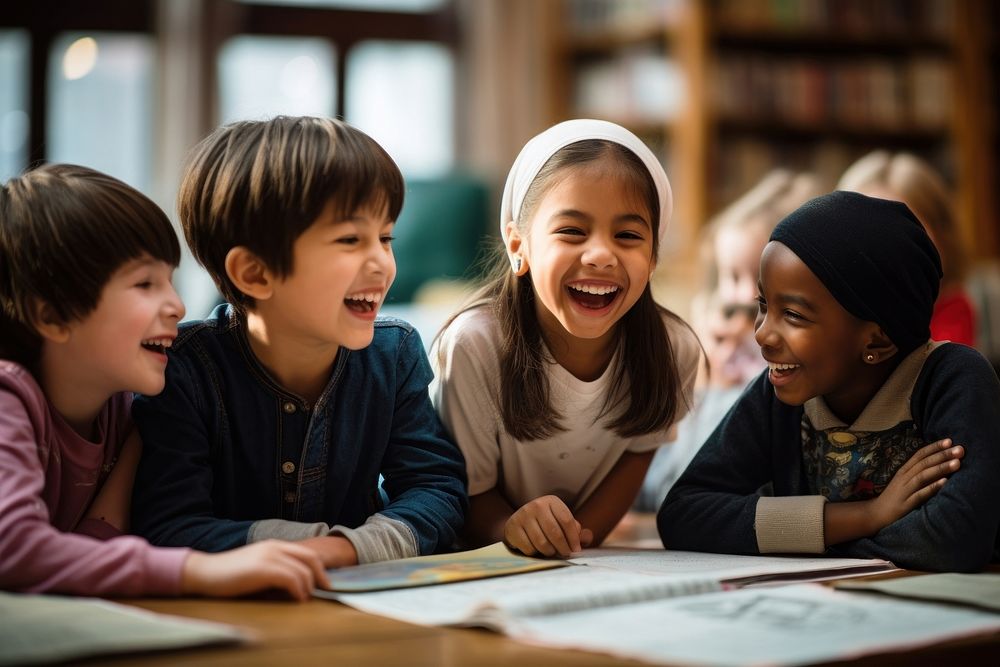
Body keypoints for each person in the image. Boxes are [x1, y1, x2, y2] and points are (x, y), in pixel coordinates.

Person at [130, 117, 468, 567]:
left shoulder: (394, 353)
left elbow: (437, 489)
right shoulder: (184, 371)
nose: (382, 264)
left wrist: (344, 549)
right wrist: (307, 549)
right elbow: (169, 525)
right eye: (350, 239)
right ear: (256, 273)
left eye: (385, 238)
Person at [0, 164, 329, 598]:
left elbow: (98, 546)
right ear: (52, 316)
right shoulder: (9, 396)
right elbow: (13, 549)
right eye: (144, 284)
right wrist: (200, 570)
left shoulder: (129, 413)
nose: (176, 305)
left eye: (170, 281)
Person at [658, 191, 1000, 572]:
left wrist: (795, 536)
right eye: (764, 306)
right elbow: (682, 514)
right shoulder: (781, 392)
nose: (761, 334)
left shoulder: (952, 380)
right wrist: (866, 516)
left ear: (876, 340)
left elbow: (955, 541)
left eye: (793, 314)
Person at [432, 119, 701, 558]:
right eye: (572, 231)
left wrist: (577, 538)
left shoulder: (675, 350)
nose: (600, 254)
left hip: (581, 557)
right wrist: (511, 529)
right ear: (518, 246)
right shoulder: (473, 344)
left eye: (628, 236)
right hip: (480, 550)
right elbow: (460, 491)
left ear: (653, 257)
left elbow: (637, 455)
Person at [636, 169, 820, 511]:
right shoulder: (702, 348)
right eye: (732, 276)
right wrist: (704, 375)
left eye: (763, 276)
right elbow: (661, 477)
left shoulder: (795, 363)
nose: (745, 294)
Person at [838, 150, 976, 346]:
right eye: (866, 233)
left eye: (908, 233)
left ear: (944, 240)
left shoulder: (952, 314)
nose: (886, 250)